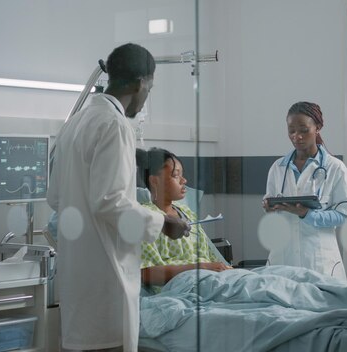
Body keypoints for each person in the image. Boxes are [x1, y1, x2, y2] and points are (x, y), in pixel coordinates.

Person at [47, 43, 190, 352]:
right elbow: (110, 202)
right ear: (141, 82)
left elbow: (55, 197)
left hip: (77, 281)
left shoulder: (73, 125)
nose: (145, 97)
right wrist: (163, 221)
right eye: (149, 89)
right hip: (105, 281)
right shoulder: (115, 125)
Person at [262, 101, 347, 280]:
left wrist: (307, 214)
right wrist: (269, 207)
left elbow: (344, 215)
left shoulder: (335, 168)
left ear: (317, 127)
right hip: (282, 258)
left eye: (304, 130)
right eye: (292, 131)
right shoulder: (277, 168)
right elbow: (274, 211)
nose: (297, 137)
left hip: (319, 261)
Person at [136, 147, 232, 290]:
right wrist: (202, 268)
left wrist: (229, 270)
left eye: (182, 175)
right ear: (155, 181)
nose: (184, 180)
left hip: (212, 279)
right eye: (176, 175)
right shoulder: (147, 218)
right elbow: (146, 273)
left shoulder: (187, 213)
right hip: (185, 288)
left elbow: (212, 258)